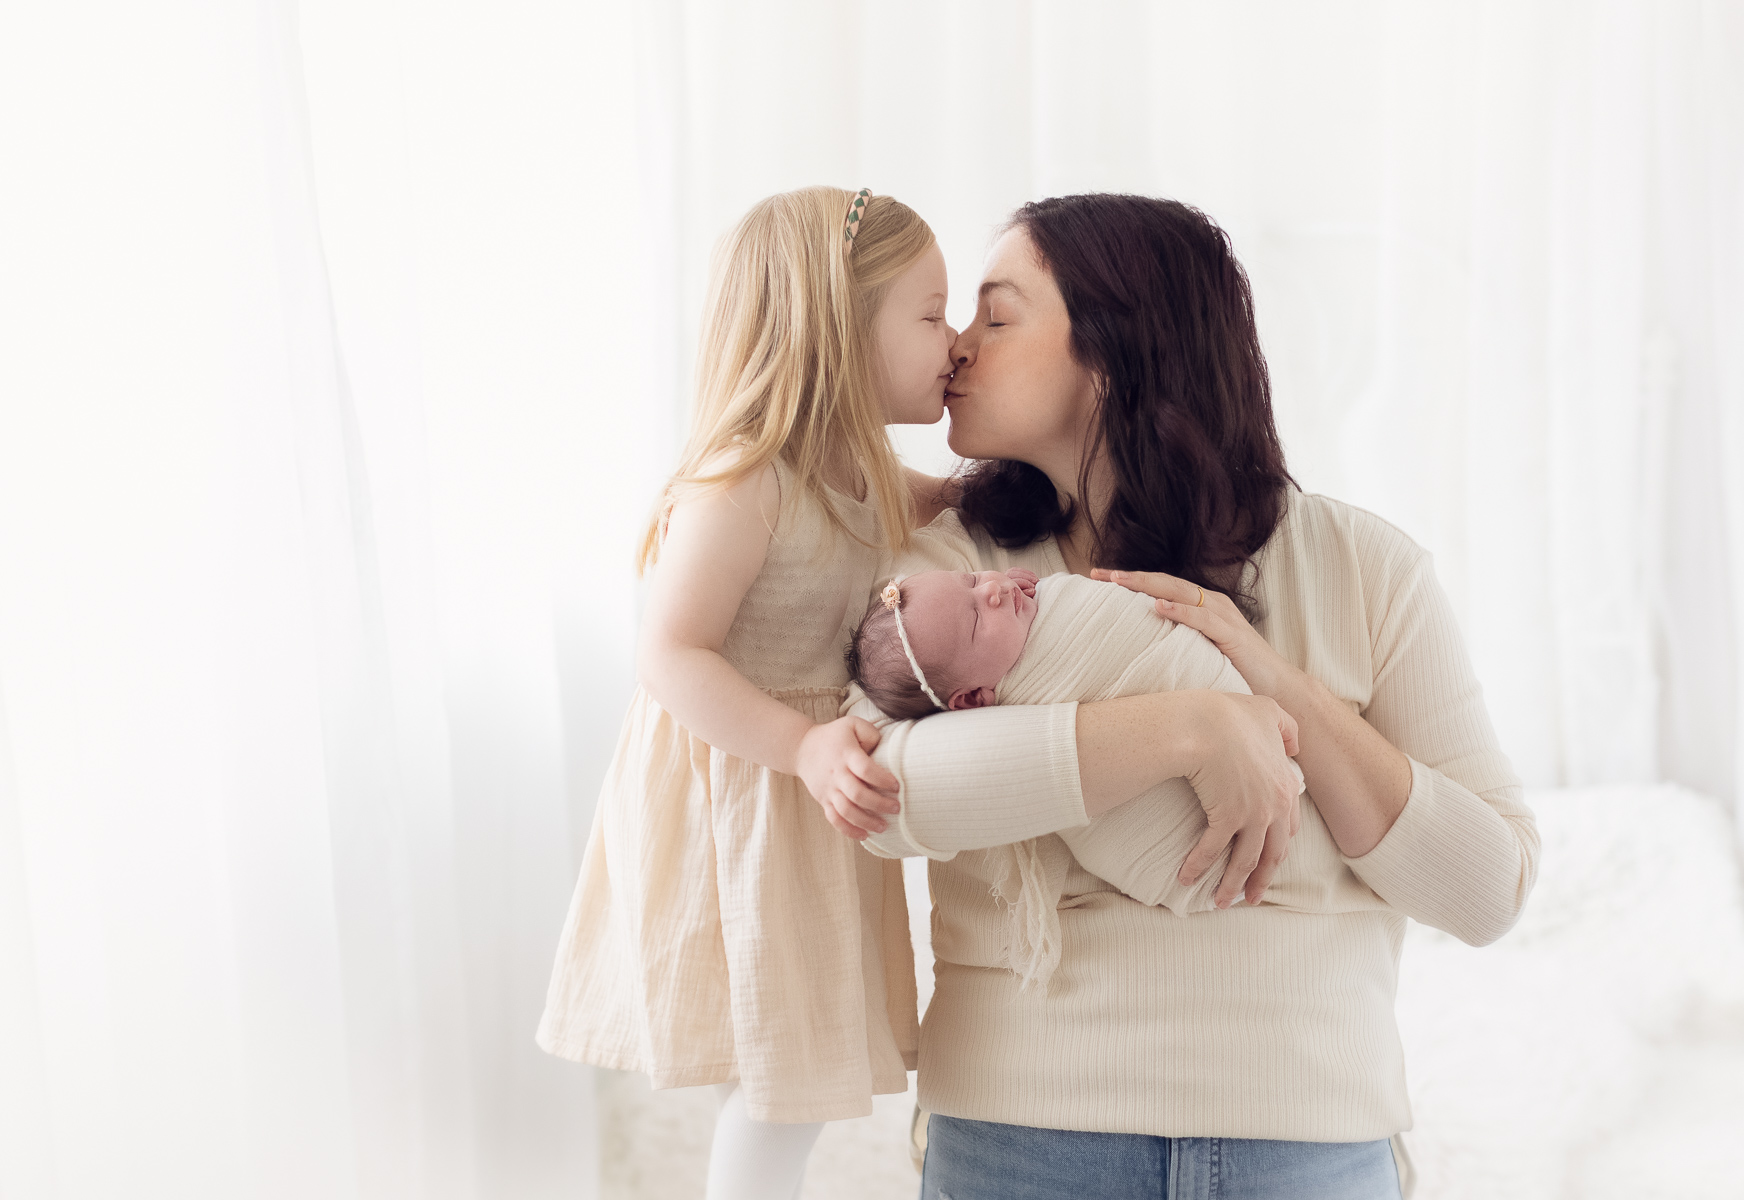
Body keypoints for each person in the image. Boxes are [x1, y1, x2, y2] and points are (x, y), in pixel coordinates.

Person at [819, 193, 1540, 1199]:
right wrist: (1191, 728)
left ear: (1112, 349)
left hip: (1308, 1148)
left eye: (998, 313)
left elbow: (1487, 888)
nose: (958, 348)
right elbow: (881, 794)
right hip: (1024, 1141)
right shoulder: (957, 568)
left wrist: (1268, 684)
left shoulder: (1367, 567)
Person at [535, 186, 950, 1200]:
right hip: (742, 793)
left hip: (800, 799)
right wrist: (801, 747)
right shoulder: (747, 478)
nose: (958, 340)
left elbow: (949, 504)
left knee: (791, 1076)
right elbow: (670, 654)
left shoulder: (862, 467)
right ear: (840, 332)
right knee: (782, 1085)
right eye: (933, 315)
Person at [844, 562, 1310, 967]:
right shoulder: (998, 691)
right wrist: (1202, 726)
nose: (992, 588)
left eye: (970, 578)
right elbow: (885, 791)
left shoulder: (994, 613)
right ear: (971, 701)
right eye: (975, 619)